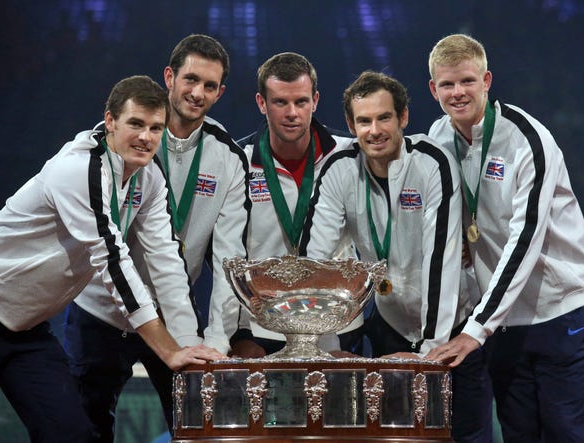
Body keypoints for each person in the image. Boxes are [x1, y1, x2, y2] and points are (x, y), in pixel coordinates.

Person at [0, 75, 226, 443]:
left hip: (27, 329)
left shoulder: (149, 177)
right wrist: (169, 351)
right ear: (110, 121)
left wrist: (186, 342)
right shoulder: (79, 169)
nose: (145, 137)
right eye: (135, 124)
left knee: (73, 435)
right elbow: (112, 261)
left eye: (156, 128)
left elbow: (165, 261)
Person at [64, 35, 248, 442]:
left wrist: (215, 340)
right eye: (190, 79)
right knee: (85, 431)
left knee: (196, 431)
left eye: (210, 86)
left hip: (172, 315)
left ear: (221, 92)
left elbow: (229, 259)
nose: (197, 93)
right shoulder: (123, 139)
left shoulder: (228, 158)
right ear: (170, 76)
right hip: (100, 309)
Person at [299, 71, 491, 441]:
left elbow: (444, 261)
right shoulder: (339, 169)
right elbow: (315, 265)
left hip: (451, 329)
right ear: (351, 125)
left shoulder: (432, 163)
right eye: (364, 121)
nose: (375, 130)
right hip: (391, 326)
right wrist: (323, 347)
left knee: (466, 434)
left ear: (402, 118)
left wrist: (430, 353)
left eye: (384, 117)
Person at [426, 33, 584, 443]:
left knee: (563, 432)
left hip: (559, 306)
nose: (458, 92)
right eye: (447, 84)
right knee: (519, 432)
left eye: (467, 81)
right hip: (502, 319)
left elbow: (525, 240)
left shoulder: (528, 140)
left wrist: (476, 327)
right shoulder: (437, 137)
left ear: (486, 80)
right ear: (433, 89)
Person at [229, 52, 361, 358]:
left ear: (315, 100)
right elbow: (225, 252)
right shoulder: (238, 161)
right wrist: (239, 332)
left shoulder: (348, 155)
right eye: (280, 102)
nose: (292, 112)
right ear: (262, 103)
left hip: (335, 321)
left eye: (301, 102)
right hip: (262, 324)